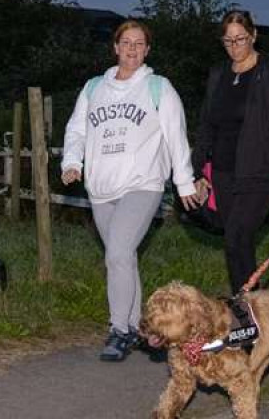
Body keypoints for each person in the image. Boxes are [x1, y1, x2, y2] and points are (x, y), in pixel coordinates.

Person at [61, 20, 199, 361]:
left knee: (118, 255)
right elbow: (76, 129)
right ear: (116, 47)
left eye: (139, 43)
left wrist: (183, 182)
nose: (132, 49)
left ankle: (119, 329)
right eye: (126, 42)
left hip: (143, 184)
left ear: (147, 50)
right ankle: (142, 328)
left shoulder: (158, 87)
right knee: (123, 259)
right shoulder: (95, 88)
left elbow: (176, 136)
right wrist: (71, 162)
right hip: (102, 188)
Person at [192, 9, 269, 293]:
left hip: (260, 173)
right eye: (228, 41)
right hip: (224, 174)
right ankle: (252, 313)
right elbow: (206, 125)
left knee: (236, 237)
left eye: (240, 39)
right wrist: (197, 170)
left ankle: (249, 310)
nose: (234, 46)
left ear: (254, 35)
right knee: (237, 245)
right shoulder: (218, 75)